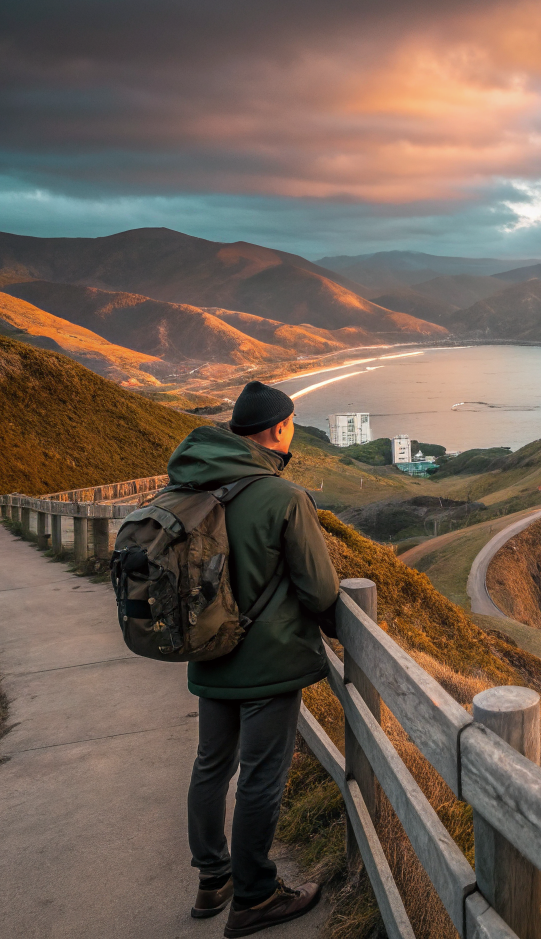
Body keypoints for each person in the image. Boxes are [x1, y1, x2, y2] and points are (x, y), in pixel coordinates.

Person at [168, 381, 339, 936]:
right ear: (279, 429)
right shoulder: (283, 497)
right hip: (267, 663)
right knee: (261, 779)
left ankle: (212, 879)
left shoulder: (190, 483)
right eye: (292, 423)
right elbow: (319, 590)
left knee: (211, 766)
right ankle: (256, 897)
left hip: (209, 654)